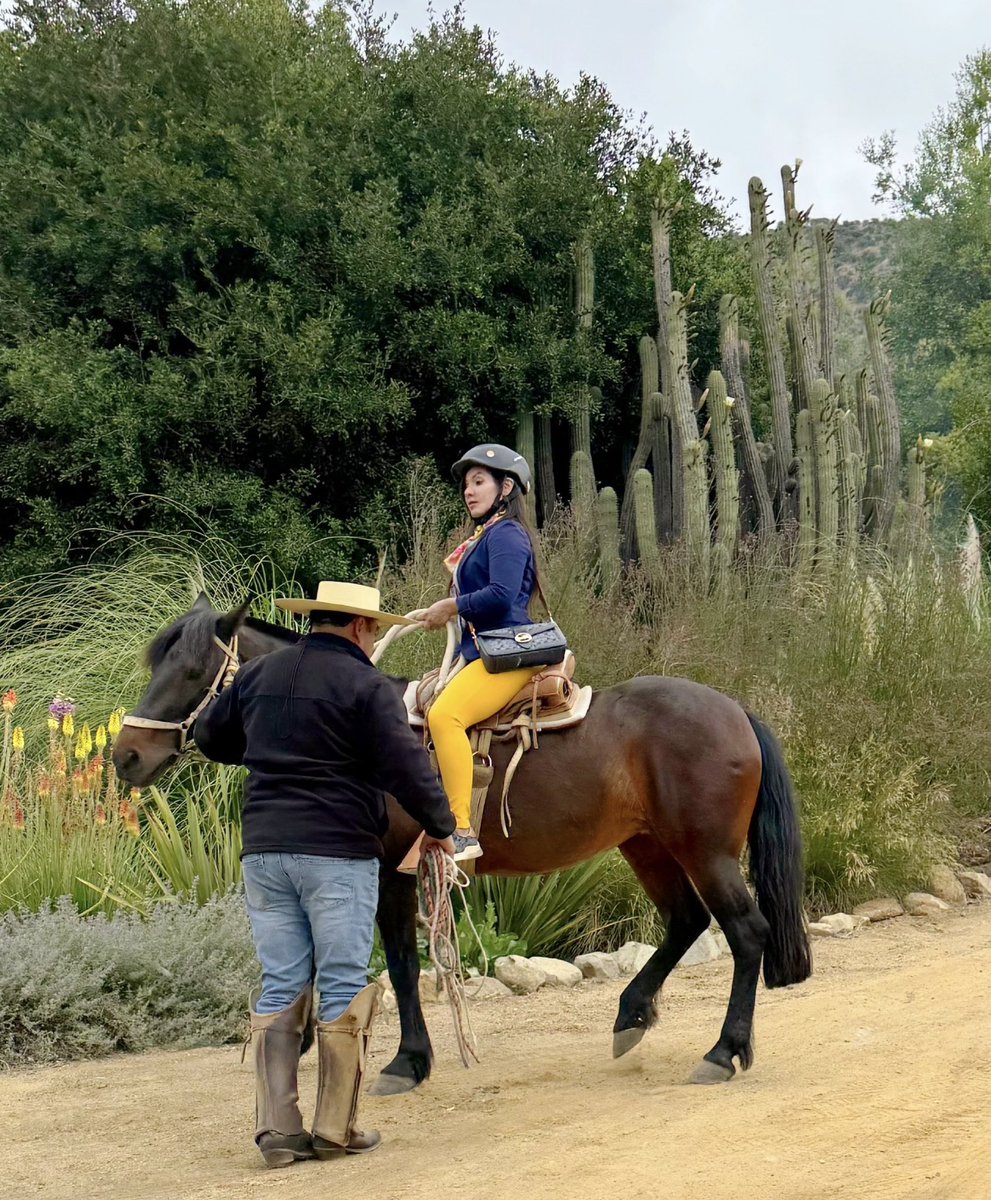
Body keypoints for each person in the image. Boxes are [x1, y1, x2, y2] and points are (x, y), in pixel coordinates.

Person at [194, 581, 456, 1170]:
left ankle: (277, 1133)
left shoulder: (259, 676)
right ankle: (337, 1128)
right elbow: (405, 765)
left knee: (282, 981)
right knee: (341, 983)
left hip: (264, 850)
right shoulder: (365, 684)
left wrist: (268, 752)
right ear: (362, 628)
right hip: (336, 850)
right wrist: (443, 823)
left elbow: (210, 736)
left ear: (315, 620)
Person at [419, 444, 546, 863]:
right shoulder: (487, 534)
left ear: (505, 487)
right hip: (483, 652)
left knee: (444, 715)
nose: (469, 492)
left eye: (479, 482)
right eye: (466, 485)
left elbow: (502, 595)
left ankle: (459, 829)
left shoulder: (507, 533)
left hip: (508, 651)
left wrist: (452, 606)